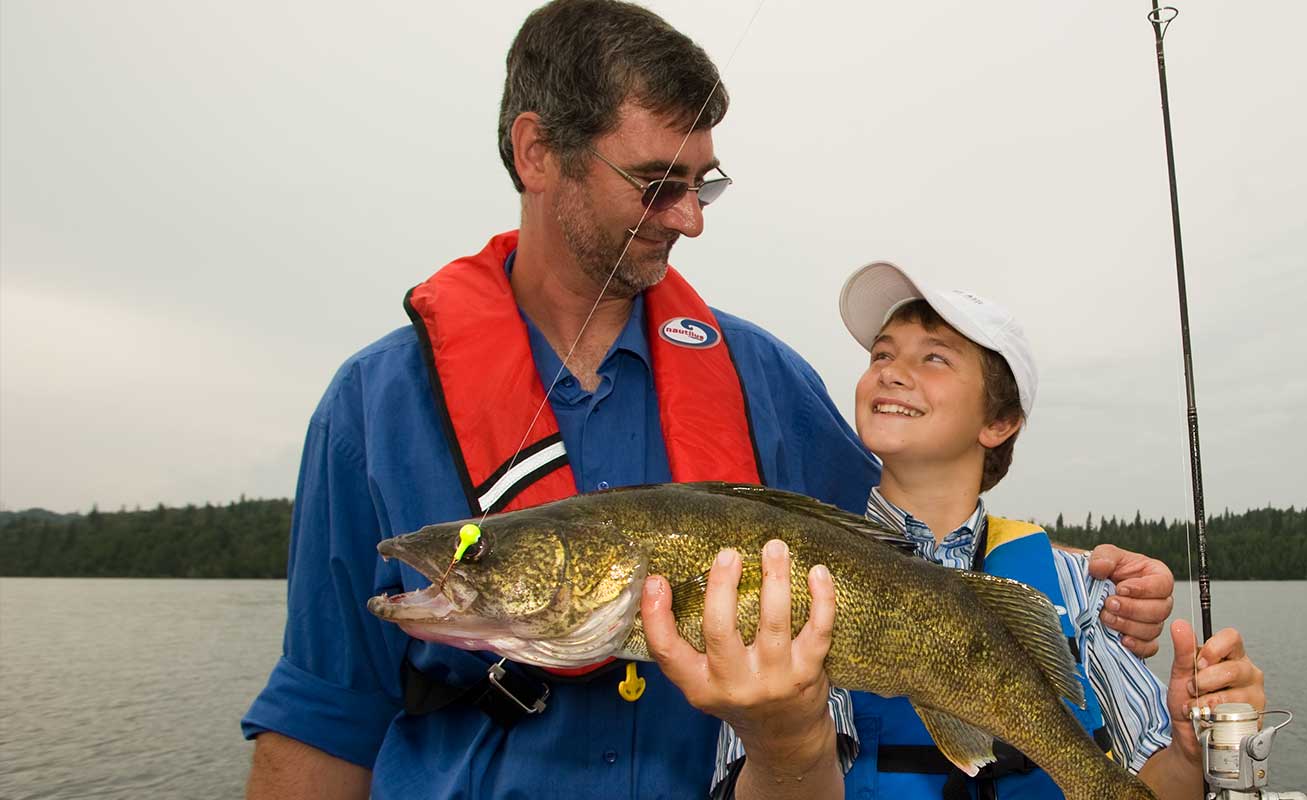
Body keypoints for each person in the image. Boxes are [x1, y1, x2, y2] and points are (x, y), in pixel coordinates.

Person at [240, 2, 1175, 798]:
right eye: (658, 184)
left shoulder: (769, 386)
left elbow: (909, 551)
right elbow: (323, 716)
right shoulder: (372, 406)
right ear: (537, 152)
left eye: (703, 185)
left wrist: (1093, 594)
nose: (690, 216)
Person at [687, 262, 1268, 799]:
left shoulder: (1077, 589)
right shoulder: (786, 576)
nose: (891, 371)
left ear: (999, 421)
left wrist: (1192, 755)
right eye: (881, 354)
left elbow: (1151, 785)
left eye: (933, 358)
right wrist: (784, 738)